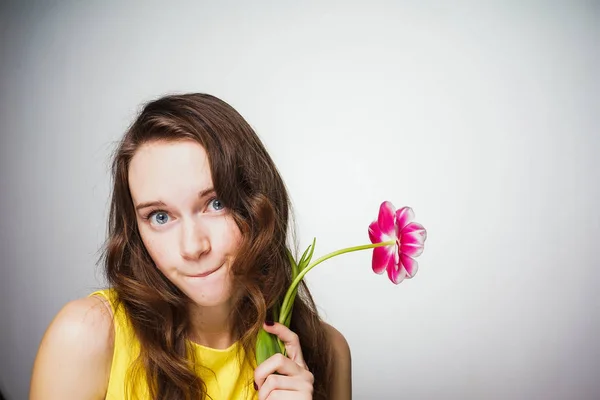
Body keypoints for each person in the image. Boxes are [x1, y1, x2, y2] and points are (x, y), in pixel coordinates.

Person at [30, 93, 352, 399]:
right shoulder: (86, 337)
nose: (192, 246)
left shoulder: (328, 351)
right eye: (159, 216)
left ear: (259, 201)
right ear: (135, 230)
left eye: (216, 203)